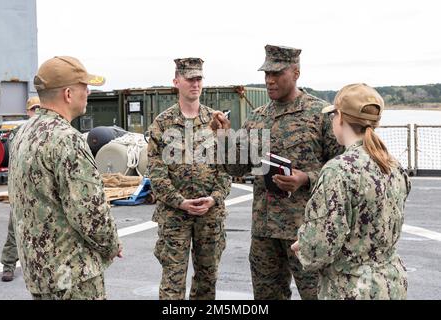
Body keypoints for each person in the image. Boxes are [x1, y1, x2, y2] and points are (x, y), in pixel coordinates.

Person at [210, 45, 343, 300]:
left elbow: (341, 169)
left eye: (277, 74)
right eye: (266, 74)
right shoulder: (258, 117)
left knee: (317, 294)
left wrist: (305, 178)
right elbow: (237, 168)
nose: (270, 80)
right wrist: (225, 137)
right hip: (265, 231)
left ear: (296, 72)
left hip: (307, 229)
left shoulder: (321, 114)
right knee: (266, 297)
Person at [8, 56, 122, 300]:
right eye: (84, 87)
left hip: (39, 275)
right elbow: (90, 215)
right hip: (73, 276)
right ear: (68, 94)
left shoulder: (23, 134)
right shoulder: (66, 140)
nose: (88, 92)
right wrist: (112, 245)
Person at [291, 83, 411, 300]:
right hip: (392, 285)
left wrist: (303, 244)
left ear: (340, 118)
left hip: (350, 288)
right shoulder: (394, 165)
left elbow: (319, 248)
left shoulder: (338, 170)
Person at [147, 57, 231, 300]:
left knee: (208, 279)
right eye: (189, 79)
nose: (195, 84)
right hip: (174, 215)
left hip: (210, 214)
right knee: (173, 281)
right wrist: (179, 201)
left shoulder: (215, 121)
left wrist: (215, 198)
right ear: (176, 82)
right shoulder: (162, 124)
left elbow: (227, 168)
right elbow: (156, 171)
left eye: (199, 78)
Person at [0, 96, 40, 282]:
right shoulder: (18, 132)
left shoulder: (46, 131)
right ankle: (8, 265)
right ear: (27, 112)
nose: (36, 112)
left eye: (39, 108)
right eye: (34, 109)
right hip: (22, 189)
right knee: (14, 229)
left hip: (41, 190)